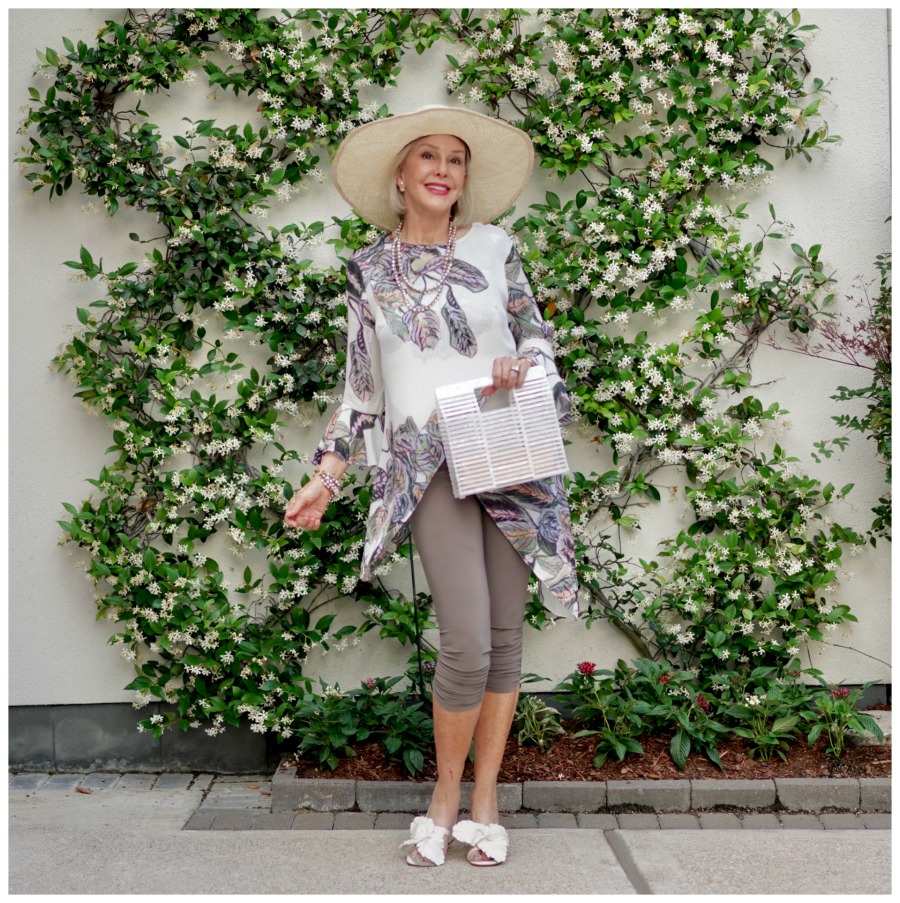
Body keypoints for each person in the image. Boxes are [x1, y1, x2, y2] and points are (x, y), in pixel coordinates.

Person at [284, 105, 579, 867]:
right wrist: (326, 477)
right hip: (429, 467)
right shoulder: (368, 272)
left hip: (510, 451)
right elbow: (361, 391)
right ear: (401, 176)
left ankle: (485, 801)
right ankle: (443, 795)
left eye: (456, 158)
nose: (444, 169)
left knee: (506, 641)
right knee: (469, 642)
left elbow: (536, 336)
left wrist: (525, 364)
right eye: (428, 157)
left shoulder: (496, 246)